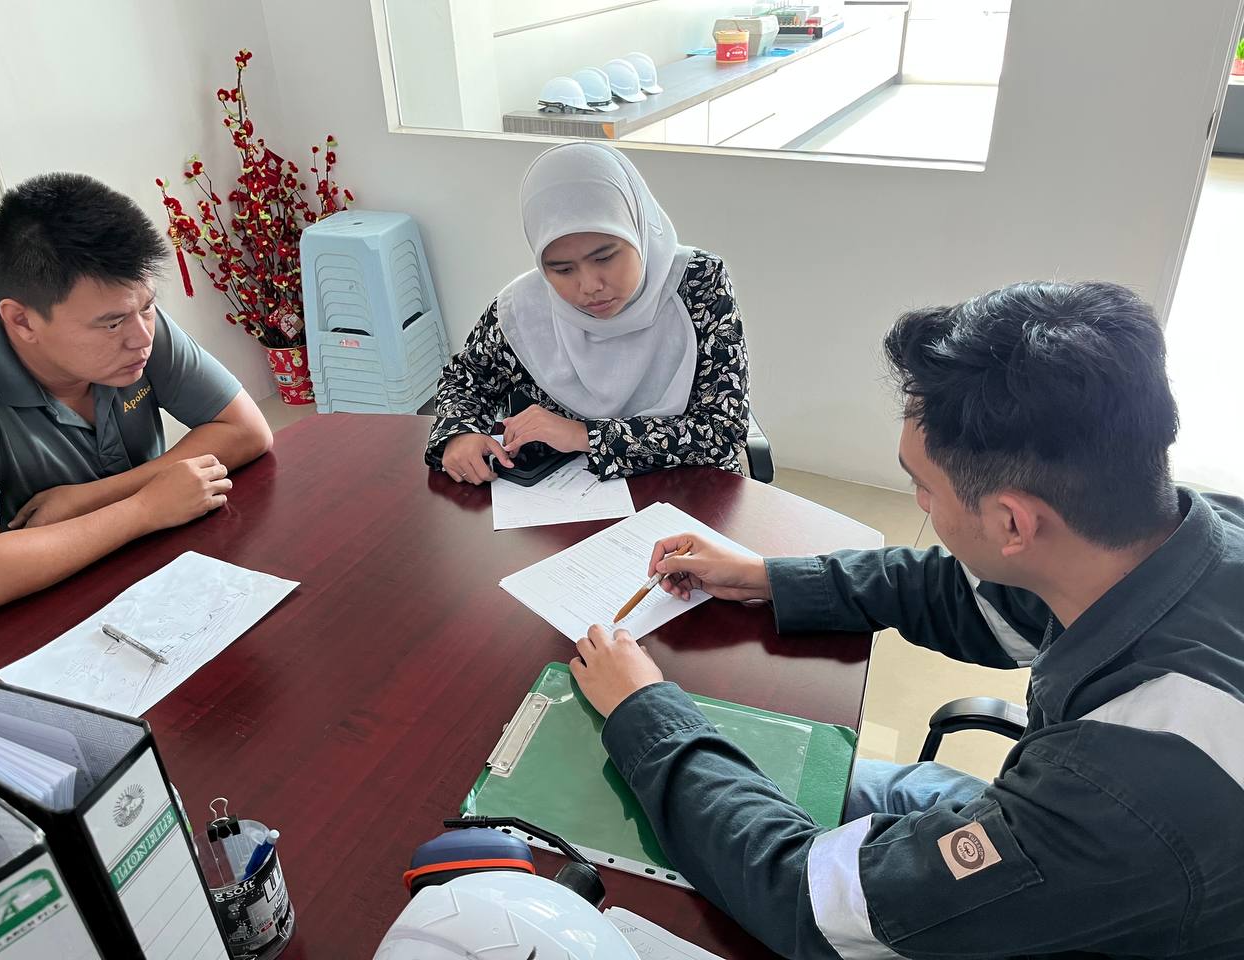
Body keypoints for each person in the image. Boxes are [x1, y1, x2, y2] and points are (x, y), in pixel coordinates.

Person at [570, 281, 1244, 958]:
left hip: (1084, 898)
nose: (918, 501)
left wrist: (644, 712)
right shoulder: (1165, 535)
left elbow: (806, 902)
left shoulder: (1118, 790)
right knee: (791, 775)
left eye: (923, 485)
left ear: (1012, 522)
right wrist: (768, 578)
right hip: (1086, 842)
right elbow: (974, 596)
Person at [0, 173, 273, 617]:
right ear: (22, 321)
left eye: (148, 307)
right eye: (111, 324)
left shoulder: (132, 320)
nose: (142, 339)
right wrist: (143, 509)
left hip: (145, 585)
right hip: (26, 623)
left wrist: (94, 497)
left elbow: (246, 430)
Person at [425, 142, 749, 484]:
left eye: (605, 257)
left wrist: (584, 434)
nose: (590, 286)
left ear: (637, 228)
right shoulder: (523, 308)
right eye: (562, 269)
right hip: (561, 494)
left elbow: (722, 431)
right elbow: (466, 378)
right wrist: (459, 434)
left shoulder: (697, 282)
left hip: (690, 488)